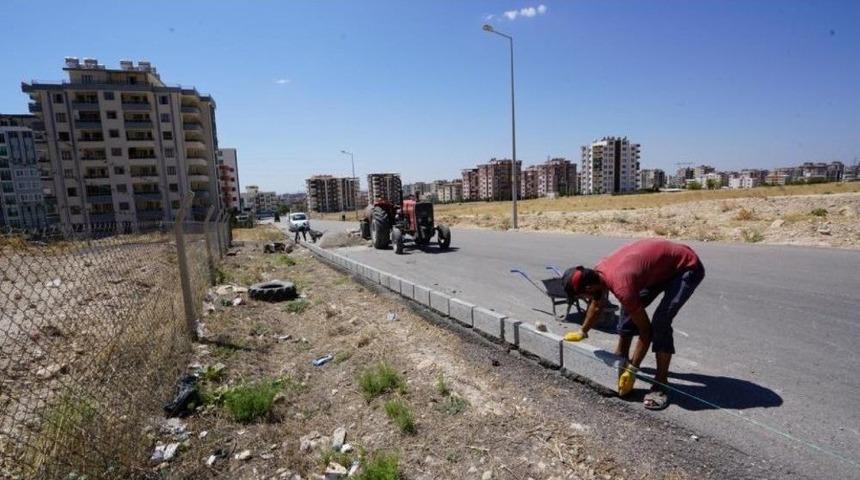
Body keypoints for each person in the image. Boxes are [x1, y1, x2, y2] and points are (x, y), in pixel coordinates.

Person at [561, 238, 705, 410]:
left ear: (589, 288)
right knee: (628, 309)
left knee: (660, 322)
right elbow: (597, 302)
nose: (585, 299)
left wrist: (633, 370)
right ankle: (621, 357)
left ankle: (661, 383)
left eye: (582, 296)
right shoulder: (597, 274)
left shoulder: (622, 285)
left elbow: (646, 332)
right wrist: (583, 331)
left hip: (686, 267)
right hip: (660, 268)